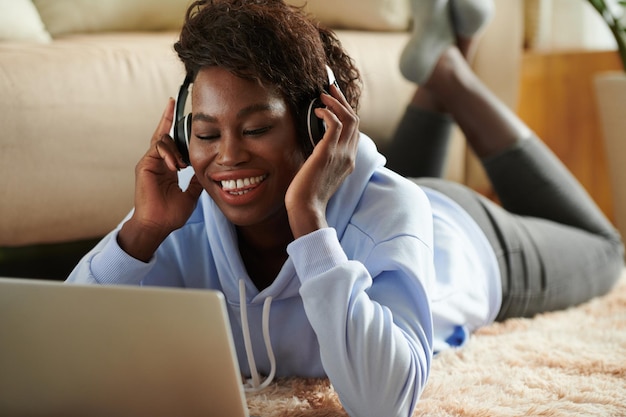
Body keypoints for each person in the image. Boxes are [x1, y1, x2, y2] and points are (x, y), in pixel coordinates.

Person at [66, 0, 625, 416]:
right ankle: (439, 60)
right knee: (378, 187)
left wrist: (308, 220)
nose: (228, 157)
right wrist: (141, 232)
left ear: (316, 129)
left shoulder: (390, 209)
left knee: (605, 251)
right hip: (366, 203)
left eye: (257, 127)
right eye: (207, 133)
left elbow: (385, 402)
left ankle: (451, 75)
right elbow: (63, 349)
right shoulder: (181, 208)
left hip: (462, 234)